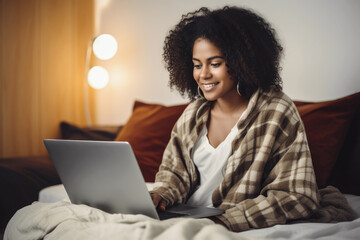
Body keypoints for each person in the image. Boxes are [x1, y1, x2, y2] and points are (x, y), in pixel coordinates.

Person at [150, 6, 320, 232]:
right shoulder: (193, 114)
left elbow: (298, 195)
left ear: (242, 61)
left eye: (215, 63)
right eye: (197, 65)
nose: (203, 75)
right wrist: (160, 194)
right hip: (184, 219)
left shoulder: (276, 110)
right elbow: (173, 174)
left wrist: (224, 221)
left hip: (228, 223)